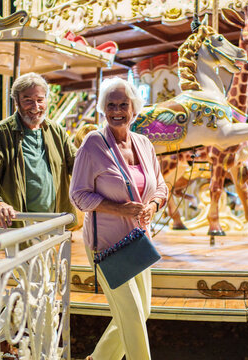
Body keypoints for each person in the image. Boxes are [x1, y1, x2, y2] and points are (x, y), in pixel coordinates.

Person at [69, 77, 168, 360]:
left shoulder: (145, 143)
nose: (117, 110)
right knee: (133, 316)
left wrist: (153, 204)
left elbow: (161, 185)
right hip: (107, 245)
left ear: (134, 108)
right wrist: (121, 208)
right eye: (111, 104)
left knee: (141, 311)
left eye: (123, 104)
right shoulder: (93, 144)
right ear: (103, 109)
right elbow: (78, 195)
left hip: (138, 242)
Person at [0, 72, 77, 228]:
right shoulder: (0, 133)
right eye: (28, 101)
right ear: (17, 102)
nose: (35, 107)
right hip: (20, 225)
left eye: (40, 100)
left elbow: (77, 163)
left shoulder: (55, 131)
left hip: (55, 222)